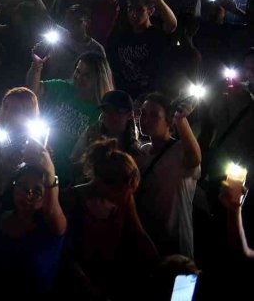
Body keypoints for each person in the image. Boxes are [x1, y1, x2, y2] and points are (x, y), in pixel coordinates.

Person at [62, 138, 159, 300]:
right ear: (101, 182)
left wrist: (161, 266)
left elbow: (139, 234)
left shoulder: (125, 196)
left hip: (108, 282)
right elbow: (65, 258)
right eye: (120, 193)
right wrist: (92, 291)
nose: (124, 198)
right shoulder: (70, 200)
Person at [0, 152, 67, 300]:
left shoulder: (52, 227)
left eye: (37, 191)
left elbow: (51, 211)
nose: (27, 194)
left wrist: (50, 172)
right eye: (22, 186)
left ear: (47, 196)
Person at [135, 92, 202, 258]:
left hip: (177, 245)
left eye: (154, 115)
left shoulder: (180, 150)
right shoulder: (142, 152)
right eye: (143, 113)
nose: (145, 119)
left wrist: (181, 119)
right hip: (148, 243)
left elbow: (194, 159)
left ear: (169, 120)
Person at [28, 52, 114, 175]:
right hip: (42, 166)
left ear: (99, 79)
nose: (79, 77)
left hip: (72, 176)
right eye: (78, 71)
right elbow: (33, 91)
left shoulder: (102, 111)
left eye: (86, 75)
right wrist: (36, 68)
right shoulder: (63, 88)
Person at [107, 0, 178, 99]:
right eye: (130, 9)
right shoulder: (123, 36)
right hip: (125, 95)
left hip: (148, 98)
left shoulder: (155, 34)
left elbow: (172, 25)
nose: (134, 14)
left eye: (139, 10)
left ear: (150, 11)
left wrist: (159, 1)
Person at [71, 90, 140, 174]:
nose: (112, 115)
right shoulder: (91, 135)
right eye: (107, 110)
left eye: (118, 111)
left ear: (129, 115)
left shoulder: (135, 147)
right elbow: (74, 162)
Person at [37, 5, 106, 81]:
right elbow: (44, 15)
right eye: (70, 20)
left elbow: (103, 77)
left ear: (87, 23)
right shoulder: (59, 34)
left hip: (74, 90)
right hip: (49, 85)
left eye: (77, 21)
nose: (73, 25)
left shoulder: (95, 49)